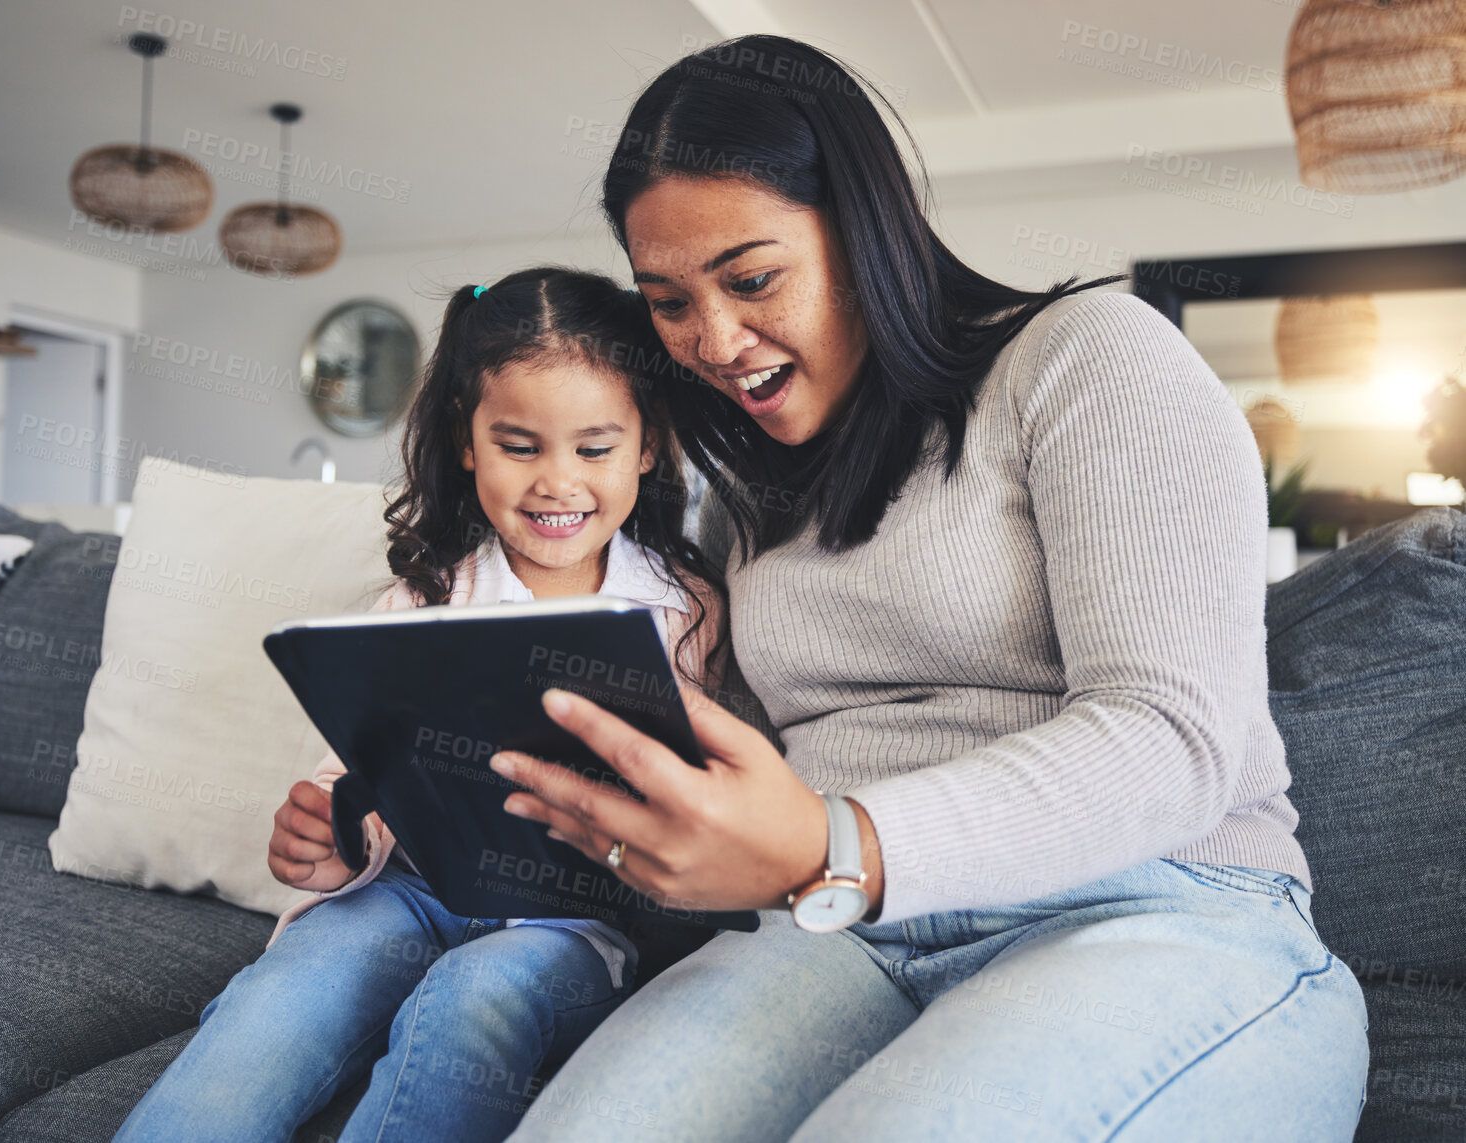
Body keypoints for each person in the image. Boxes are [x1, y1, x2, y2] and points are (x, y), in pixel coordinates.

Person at [478, 36, 1371, 1142]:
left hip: (1158, 908)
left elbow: (1172, 737)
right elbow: (749, 782)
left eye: (751, 280)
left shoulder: (1088, 356)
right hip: (833, 931)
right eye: (666, 300)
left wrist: (836, 844)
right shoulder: (751, 492)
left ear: (864, 232)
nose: (711, 340)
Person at [115, 268, 725, 1143]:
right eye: (520, 445)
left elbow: (701, 795)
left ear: (647, 446)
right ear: (468, 442)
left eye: (594, 449)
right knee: (285, 994)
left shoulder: (686, 610)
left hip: (571, 921)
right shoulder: (422, 599)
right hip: (404, 892)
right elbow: (352, 772)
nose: (558, 482)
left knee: (474, 995)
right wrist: (327, 834)